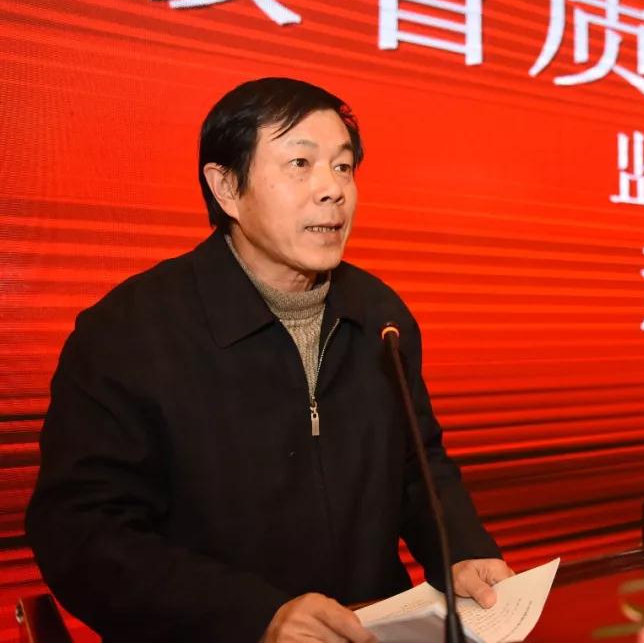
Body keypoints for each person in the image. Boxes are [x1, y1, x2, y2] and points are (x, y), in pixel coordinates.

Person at [25, 78, 512, 643]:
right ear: (226, 187)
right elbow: (82, 534)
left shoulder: (379, 315)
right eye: (300, 164)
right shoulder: (128, 332)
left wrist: (462, 553)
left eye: (343, 167)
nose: (332, 190)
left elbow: (417, 469)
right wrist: (256, 616)